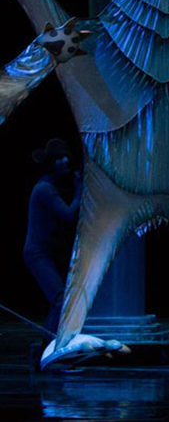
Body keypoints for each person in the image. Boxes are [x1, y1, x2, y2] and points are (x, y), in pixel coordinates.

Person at [23, 139, 81, 345]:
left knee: (59, 300)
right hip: (37, 254)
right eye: (59, 158)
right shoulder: (44, 189)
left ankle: (47, 347)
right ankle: (49, 348)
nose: (65, 161)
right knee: (59, 299)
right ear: (51, 164)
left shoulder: (48, 187)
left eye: (66, 157)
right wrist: (79, 190)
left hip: (44, 253)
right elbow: (69, 215)